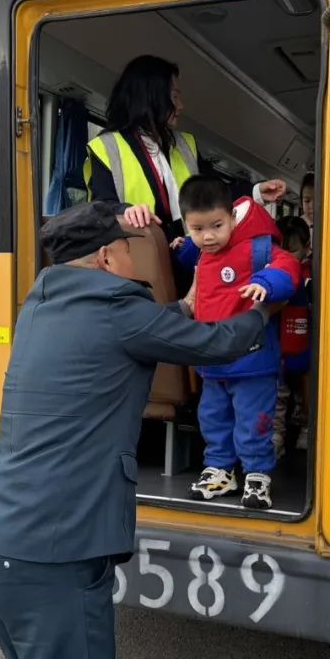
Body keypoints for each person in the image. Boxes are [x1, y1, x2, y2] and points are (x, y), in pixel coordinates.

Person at [0, 202, 273, 659]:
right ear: (109, 256)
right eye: (132, 252)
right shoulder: (118, 310)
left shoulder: (42, 306)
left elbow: (133, 330)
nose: (137, 262)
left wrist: (182, 307)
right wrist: (264, 312)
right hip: (54, 555)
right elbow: (220, 344)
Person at [171, 176, 301, 509]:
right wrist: (184, 248)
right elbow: (204, 264)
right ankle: (220, 469)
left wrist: (266, 283)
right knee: (213, 418)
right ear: (187, 225)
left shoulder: (256, 246)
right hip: (213, 359)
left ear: (232, 217)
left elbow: (288, 265)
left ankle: (257, 473)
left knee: (254, 419)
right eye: (198, 230)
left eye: (216, 225)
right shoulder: (202, 253)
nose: (209, 236)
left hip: (253, 359)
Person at [83, 54, 287, 241]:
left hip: (189, 253)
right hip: (139, 257)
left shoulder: (185, 145)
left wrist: (257, 191)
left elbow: (215, 192)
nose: (181, 106)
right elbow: (100, 209)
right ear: (152, 98)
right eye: (174, 97)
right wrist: (126, 210)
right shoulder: (106, 147)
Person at [273, 216, 313, 457]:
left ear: (308, 248)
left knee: (302, 392)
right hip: (281, 352)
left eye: (293, 251)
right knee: (278, 396)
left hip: (302, 352)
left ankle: (305, 428)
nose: (287, 256)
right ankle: (277, 438)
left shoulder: (311, 276)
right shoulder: (275, 276)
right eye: (282, 250)